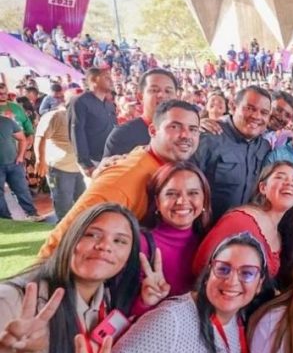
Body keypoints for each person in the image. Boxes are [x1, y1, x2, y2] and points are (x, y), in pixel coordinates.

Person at [38, 100, 201, 258]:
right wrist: (41, 278)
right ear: (152, 131)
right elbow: (64, 237)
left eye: (193, 129)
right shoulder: (125, 177)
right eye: (174, 126)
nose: (186, 135)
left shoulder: (160, 165)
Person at [0, 204, 141, 353]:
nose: (105, 246)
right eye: (92, 235)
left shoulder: (108, 298)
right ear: (70, 239)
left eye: (119, 241)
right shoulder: (11, 301)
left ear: (129, 257)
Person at [113, 233, 266, 353]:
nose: (232, 281)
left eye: (247, 273)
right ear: (208, 274)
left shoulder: (237, 319)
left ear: (259, 284)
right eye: (223, 269)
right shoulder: (171, 320)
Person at [193, 161, 293, 290]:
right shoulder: (240, 220)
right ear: (263, 188)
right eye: (280, 177)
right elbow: (201, 266)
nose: (289, 183)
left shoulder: (281, 233)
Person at [130, 161, 213, 315]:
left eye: (193, 193)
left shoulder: (209, 241)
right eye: (171, 194)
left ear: (204, 200)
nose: (182, 201)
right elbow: (122, 311)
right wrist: (145, 302)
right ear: (157, 201)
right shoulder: (140, 243)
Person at [193, 86, 273, 220]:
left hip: (244, 229)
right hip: (207, 229)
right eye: (250, 108)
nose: (256, 116)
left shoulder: (264, 147)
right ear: (233, 107)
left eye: (264, 112)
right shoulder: (209, 137)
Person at [34, 87, 85, 220]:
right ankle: (63, 237)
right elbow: (40, 137)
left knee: (83, 204)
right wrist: (40, 160)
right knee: (64, 207)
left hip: (79, 167)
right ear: (65, 101)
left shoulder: (81, 116)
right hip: (59, 168)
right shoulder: (54, 116)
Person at [103, 69, 178, 157]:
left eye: (168, 91)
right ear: (140, 96)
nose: (162, 95)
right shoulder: (122, 135)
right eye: (154, 90)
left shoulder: (186, 134)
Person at [68, 67, 117, 179]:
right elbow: (77, 133)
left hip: (110, 158)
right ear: (94, 80)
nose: (111, 80)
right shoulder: (80, 101)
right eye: (106, 77)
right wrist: (85, 164)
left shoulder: (109, 104)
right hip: (93, 161)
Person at [0, 115, 40, 220]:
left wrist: (21, 156)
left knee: (22, 189)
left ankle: (32, 214)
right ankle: (6, 220)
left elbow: (22, 139)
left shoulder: (7, 121)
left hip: (14, 163)